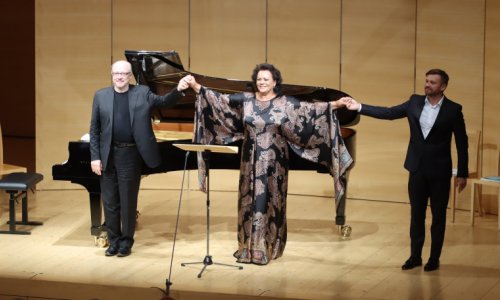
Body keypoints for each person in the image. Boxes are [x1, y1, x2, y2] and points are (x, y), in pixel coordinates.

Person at [183, 64, 353, 265]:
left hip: (275, 164)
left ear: (274, 82)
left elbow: (310, 109)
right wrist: (196, 86)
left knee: (269, 202)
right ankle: (247, 248)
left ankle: (265, 248)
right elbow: (219, 100)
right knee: (248, 202)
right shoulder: (246, 100)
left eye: (266, 79)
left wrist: (336, 104)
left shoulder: (285, 103)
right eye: (259, 79)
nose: (262, 82)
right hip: (249, 161)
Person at [345, 69, 468, 272]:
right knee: (416, 215)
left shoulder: (453, 110)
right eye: (427, 81)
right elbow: (389, 113)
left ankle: (434, 258)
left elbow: (462, 144)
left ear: (443, 86)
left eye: (433, 82)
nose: (427, 85)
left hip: (439, 171)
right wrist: (358, 107)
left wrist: (462, 173)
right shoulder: (414, 102)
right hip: (417, 169)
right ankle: (415, 256)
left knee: (438, 217)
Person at [89, 60, 191, 257]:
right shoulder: (100, 96)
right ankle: (114, 241)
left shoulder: (142, 93)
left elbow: (163, 103)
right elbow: (95, 130)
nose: (120, 77)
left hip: (130, 155)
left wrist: (178, 89)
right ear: (111, 74)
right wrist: (95, 157)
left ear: (130, 76)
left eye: (124, 73)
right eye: (116, 73)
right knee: (109, 201)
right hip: (107, 155)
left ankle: (126, 242)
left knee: (128, 201)